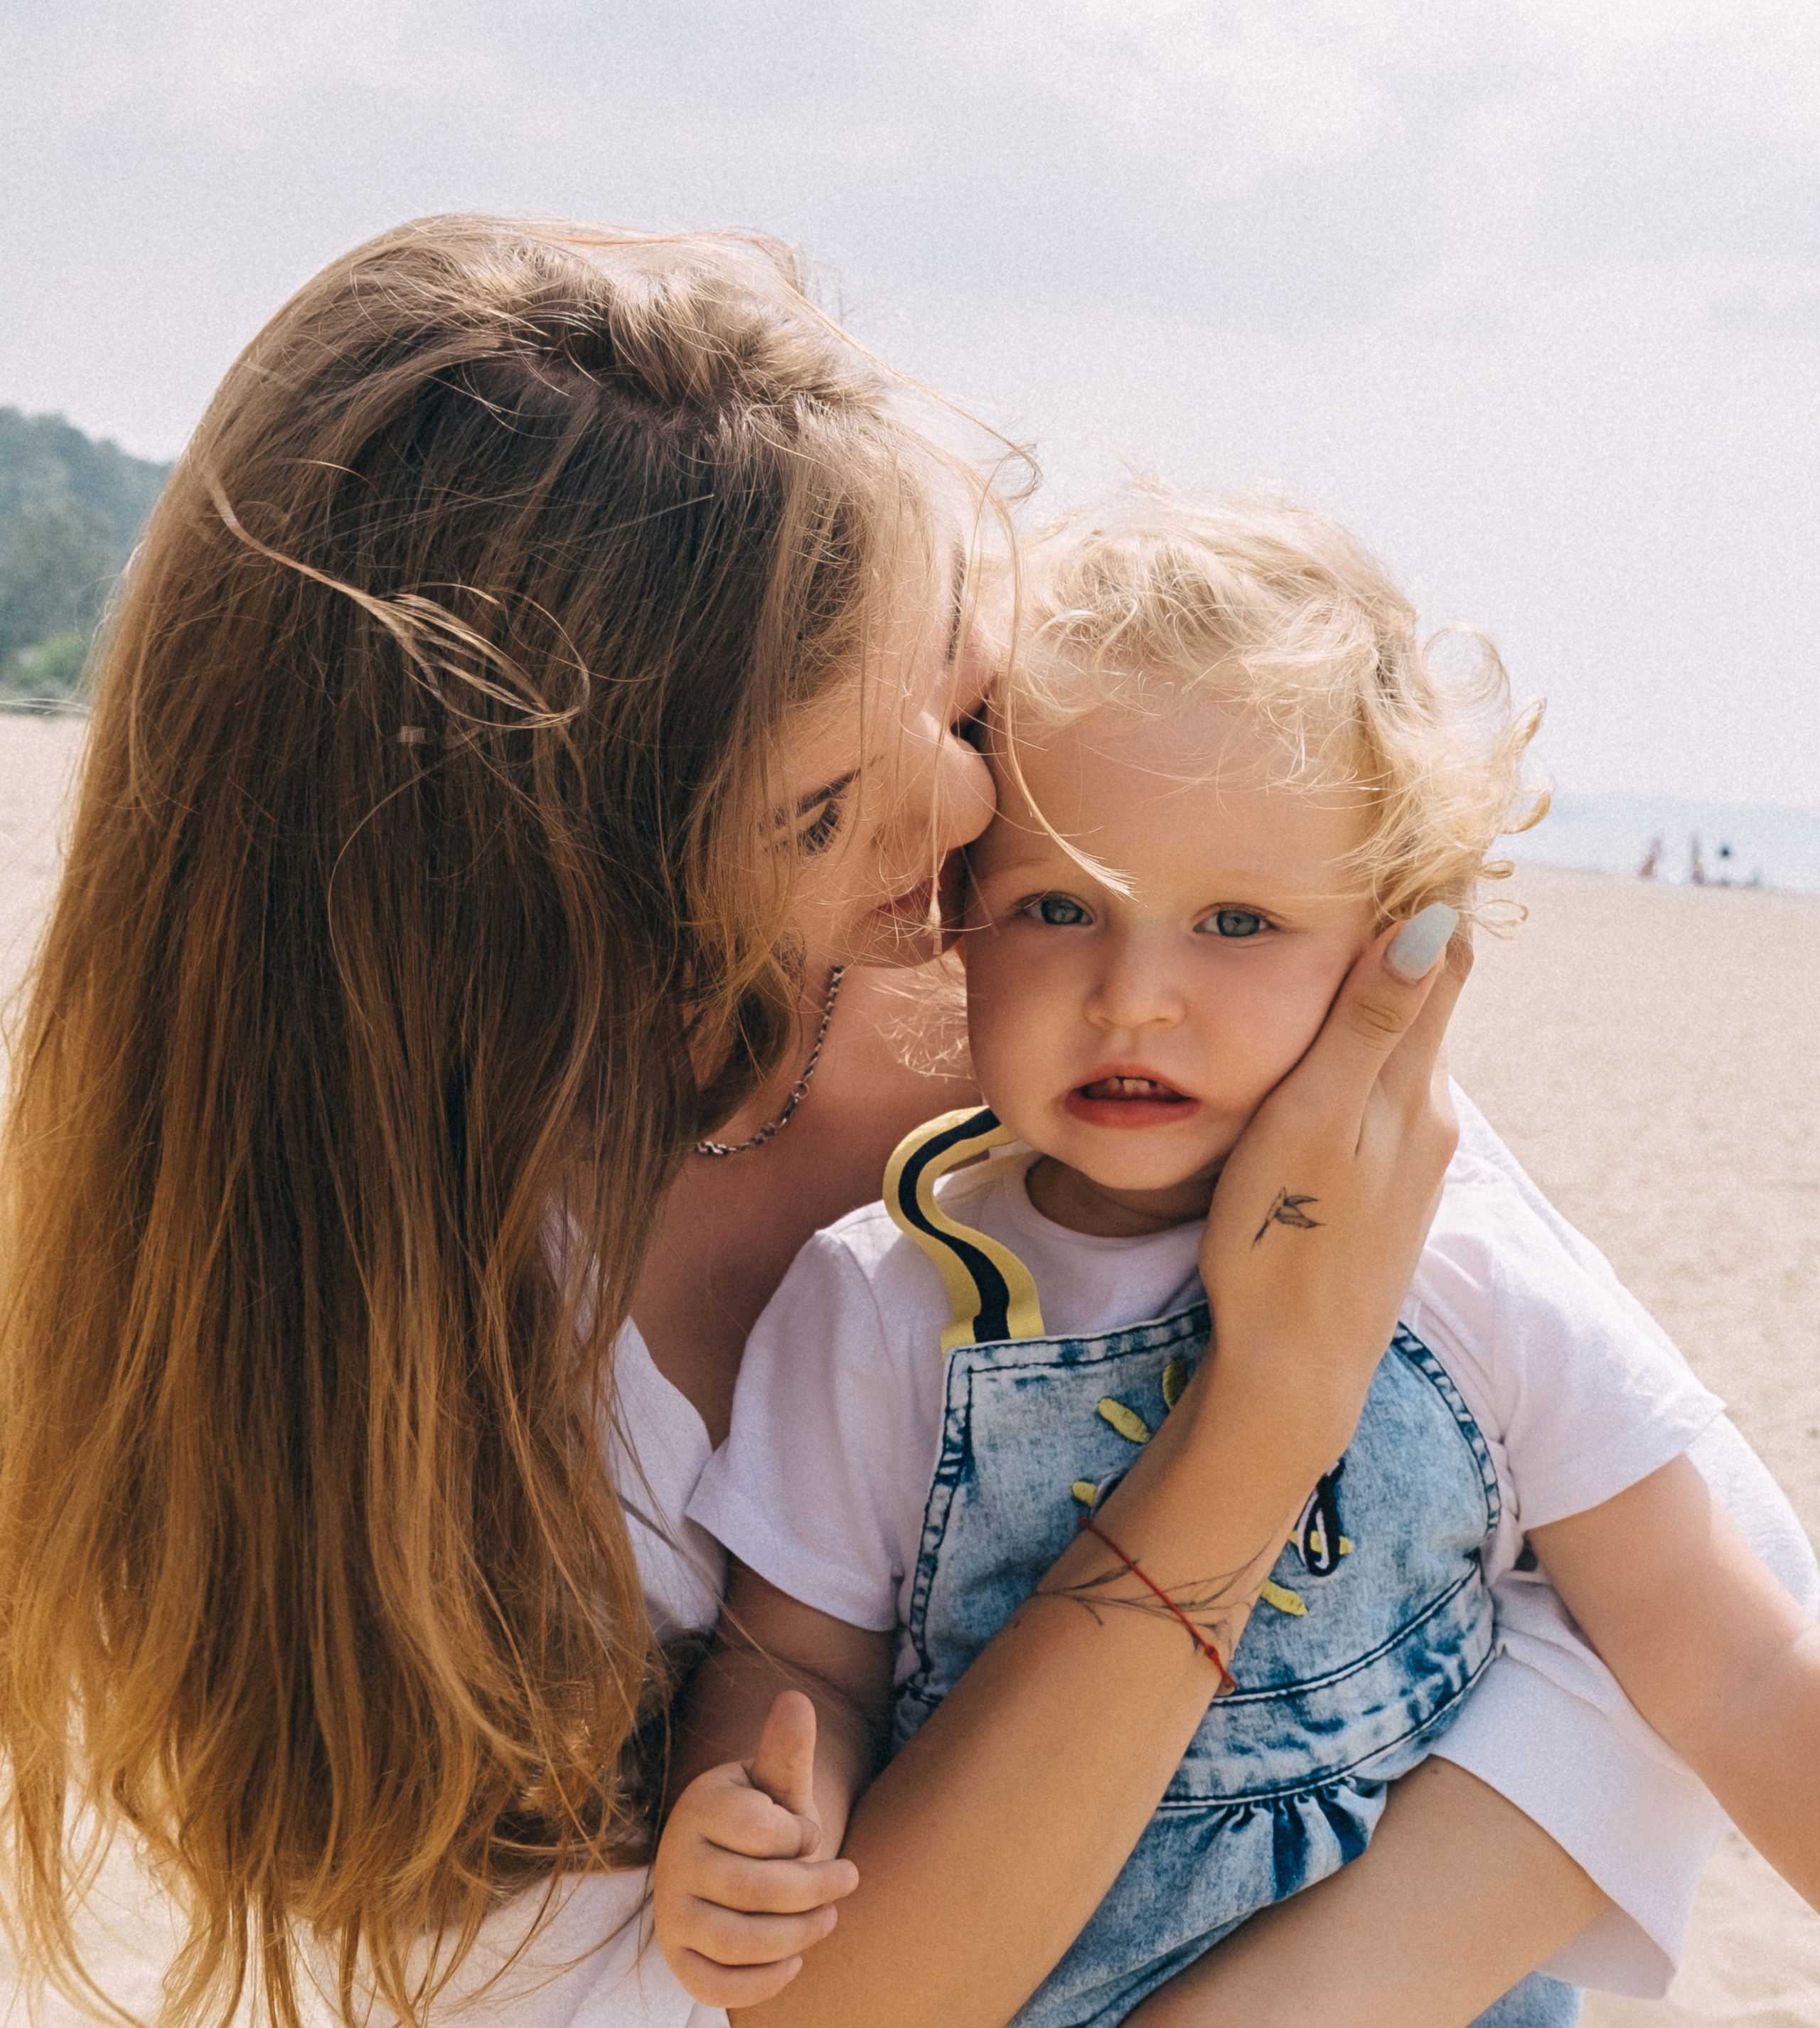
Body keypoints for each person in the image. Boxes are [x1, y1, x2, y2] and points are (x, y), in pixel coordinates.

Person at [0, 220, 1752, 2028]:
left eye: (958, 682)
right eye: (828, 800)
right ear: (550, 870)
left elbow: (1675, 1595)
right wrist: (1263, 1423)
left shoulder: (1037, 996)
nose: (979, 802)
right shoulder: (364, 1393)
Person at [660, 490, 1820, 2027]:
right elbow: (797, 1653)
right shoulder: (877, 1302)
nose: (1134, 995)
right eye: (1056, 907)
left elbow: (1725, 1669)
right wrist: (751, 1817)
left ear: (1384, 945)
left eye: (1235, 922)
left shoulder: (1461, 1266)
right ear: (955, 927)